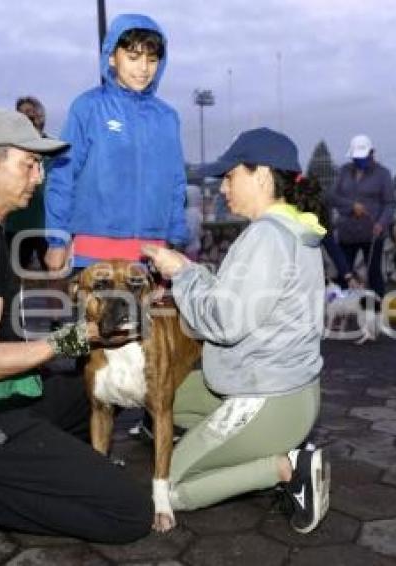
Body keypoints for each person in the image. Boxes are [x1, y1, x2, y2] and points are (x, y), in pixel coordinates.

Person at [0, 109, 151, 558]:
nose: (38, 177)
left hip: (9, 399)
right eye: (29, 164)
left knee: (100, 392)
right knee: (130, 514)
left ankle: (41, 470)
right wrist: (74, 339)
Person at [142, 127, 331, 534]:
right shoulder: (292, 231)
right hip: (288, 393)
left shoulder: (267, 236)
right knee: (158, 396)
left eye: (230, 176)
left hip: (268, 401)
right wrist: (190, 274)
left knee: (168, 486)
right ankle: (247, 448)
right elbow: (240, 301)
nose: (223, 187)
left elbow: (225, 322)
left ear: (261, 175)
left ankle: (285, 467)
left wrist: (180, 274)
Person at [44, 13, 189, 272]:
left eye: (152, 59)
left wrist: (176, 239)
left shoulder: (168, 118)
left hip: (152, 256)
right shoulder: (87, 107)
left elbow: (176, 183)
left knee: (150, 315)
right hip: (93, 254)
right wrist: (57, 239)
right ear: (112, 56)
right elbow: (63, 175)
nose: (143, 68)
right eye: (133, 58)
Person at [329, 134, 396, 297]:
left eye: (363, 157)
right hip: (347, 233)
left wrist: (381, 223)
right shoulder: (344, 172)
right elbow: (332, 197)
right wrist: (351, 207)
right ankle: (343, 314)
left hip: (373, 234)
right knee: (343, 275)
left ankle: (378, 312)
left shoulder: (383, 174)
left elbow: (390, 203)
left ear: (371, 153)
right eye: (356, 158)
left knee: (374, 274)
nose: (359, 161)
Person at [4, 96, 50, 271]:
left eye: (30, 113)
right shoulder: (10, 148)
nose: (26, 118)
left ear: (40, 116)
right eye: (21, 114)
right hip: (17, 223)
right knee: (13, 279)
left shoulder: (52, 145)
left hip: (46, 224)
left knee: (54, 277)